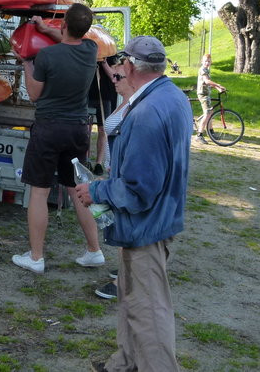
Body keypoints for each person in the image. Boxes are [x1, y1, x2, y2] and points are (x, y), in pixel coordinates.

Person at [74, 35, 193, 372]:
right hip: (160, 217)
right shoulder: (171, 96)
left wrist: (97, 191)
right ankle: (124, 364)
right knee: (132, 298)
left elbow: (140, 189)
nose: (118, 69)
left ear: (129, 65)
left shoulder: (147, 114)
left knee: (148, 309)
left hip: (146, 224)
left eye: (122, 63)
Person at [11, 3, 104, 274]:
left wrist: (27, 63)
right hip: (78, 130)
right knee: (78, 190)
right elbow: (71, 39)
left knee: (39, 191)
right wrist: (45, 29)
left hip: (49, 128)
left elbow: (34, 94)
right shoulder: (91, 50)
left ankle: (36, 257)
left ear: (63, 24)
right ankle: (94, 251)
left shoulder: (46, 56)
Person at [93, 60, 137, 301]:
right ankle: (125, 270)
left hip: (123, 173)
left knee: (126, 224)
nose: (113, 79)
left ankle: (125, 281)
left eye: (118, 76)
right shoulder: (126, 100)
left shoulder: (135, 105)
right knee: (120, 223)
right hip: (115, 170)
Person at [88, 60, 118, 175]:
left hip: (105, 95)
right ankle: (84, 160)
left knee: (103, 128)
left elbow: (113, 76)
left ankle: (98, 163)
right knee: (85, 128)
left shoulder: (110, 53)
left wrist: (104, 62)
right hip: (87, 94)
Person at [195, 53, 226, 144]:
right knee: (207, 113)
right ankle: (199, 135)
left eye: (208, 61)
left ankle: (211, 132)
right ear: (202, 61)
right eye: (205, 61)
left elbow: (209, 84)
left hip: (206, 94)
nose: (207, 63)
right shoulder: (203, 70)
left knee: (210, 112)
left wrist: (218, 88)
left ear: (211, 62)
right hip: (203, 94)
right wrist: (218, 85)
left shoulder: (207, 70)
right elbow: (207, 81)